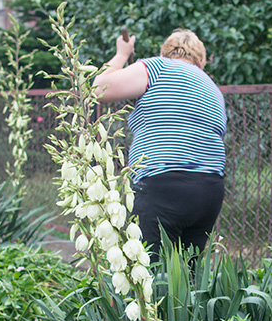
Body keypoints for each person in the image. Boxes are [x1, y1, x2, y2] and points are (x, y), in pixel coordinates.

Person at [93, 28, 227, 261]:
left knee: (148, 275)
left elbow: (98, 88)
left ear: (165, 52)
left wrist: (121, 55)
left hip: (162, 184)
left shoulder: (156, 67)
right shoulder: (213, 89)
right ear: (201, 60)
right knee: (187, 278)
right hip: (209, 191)